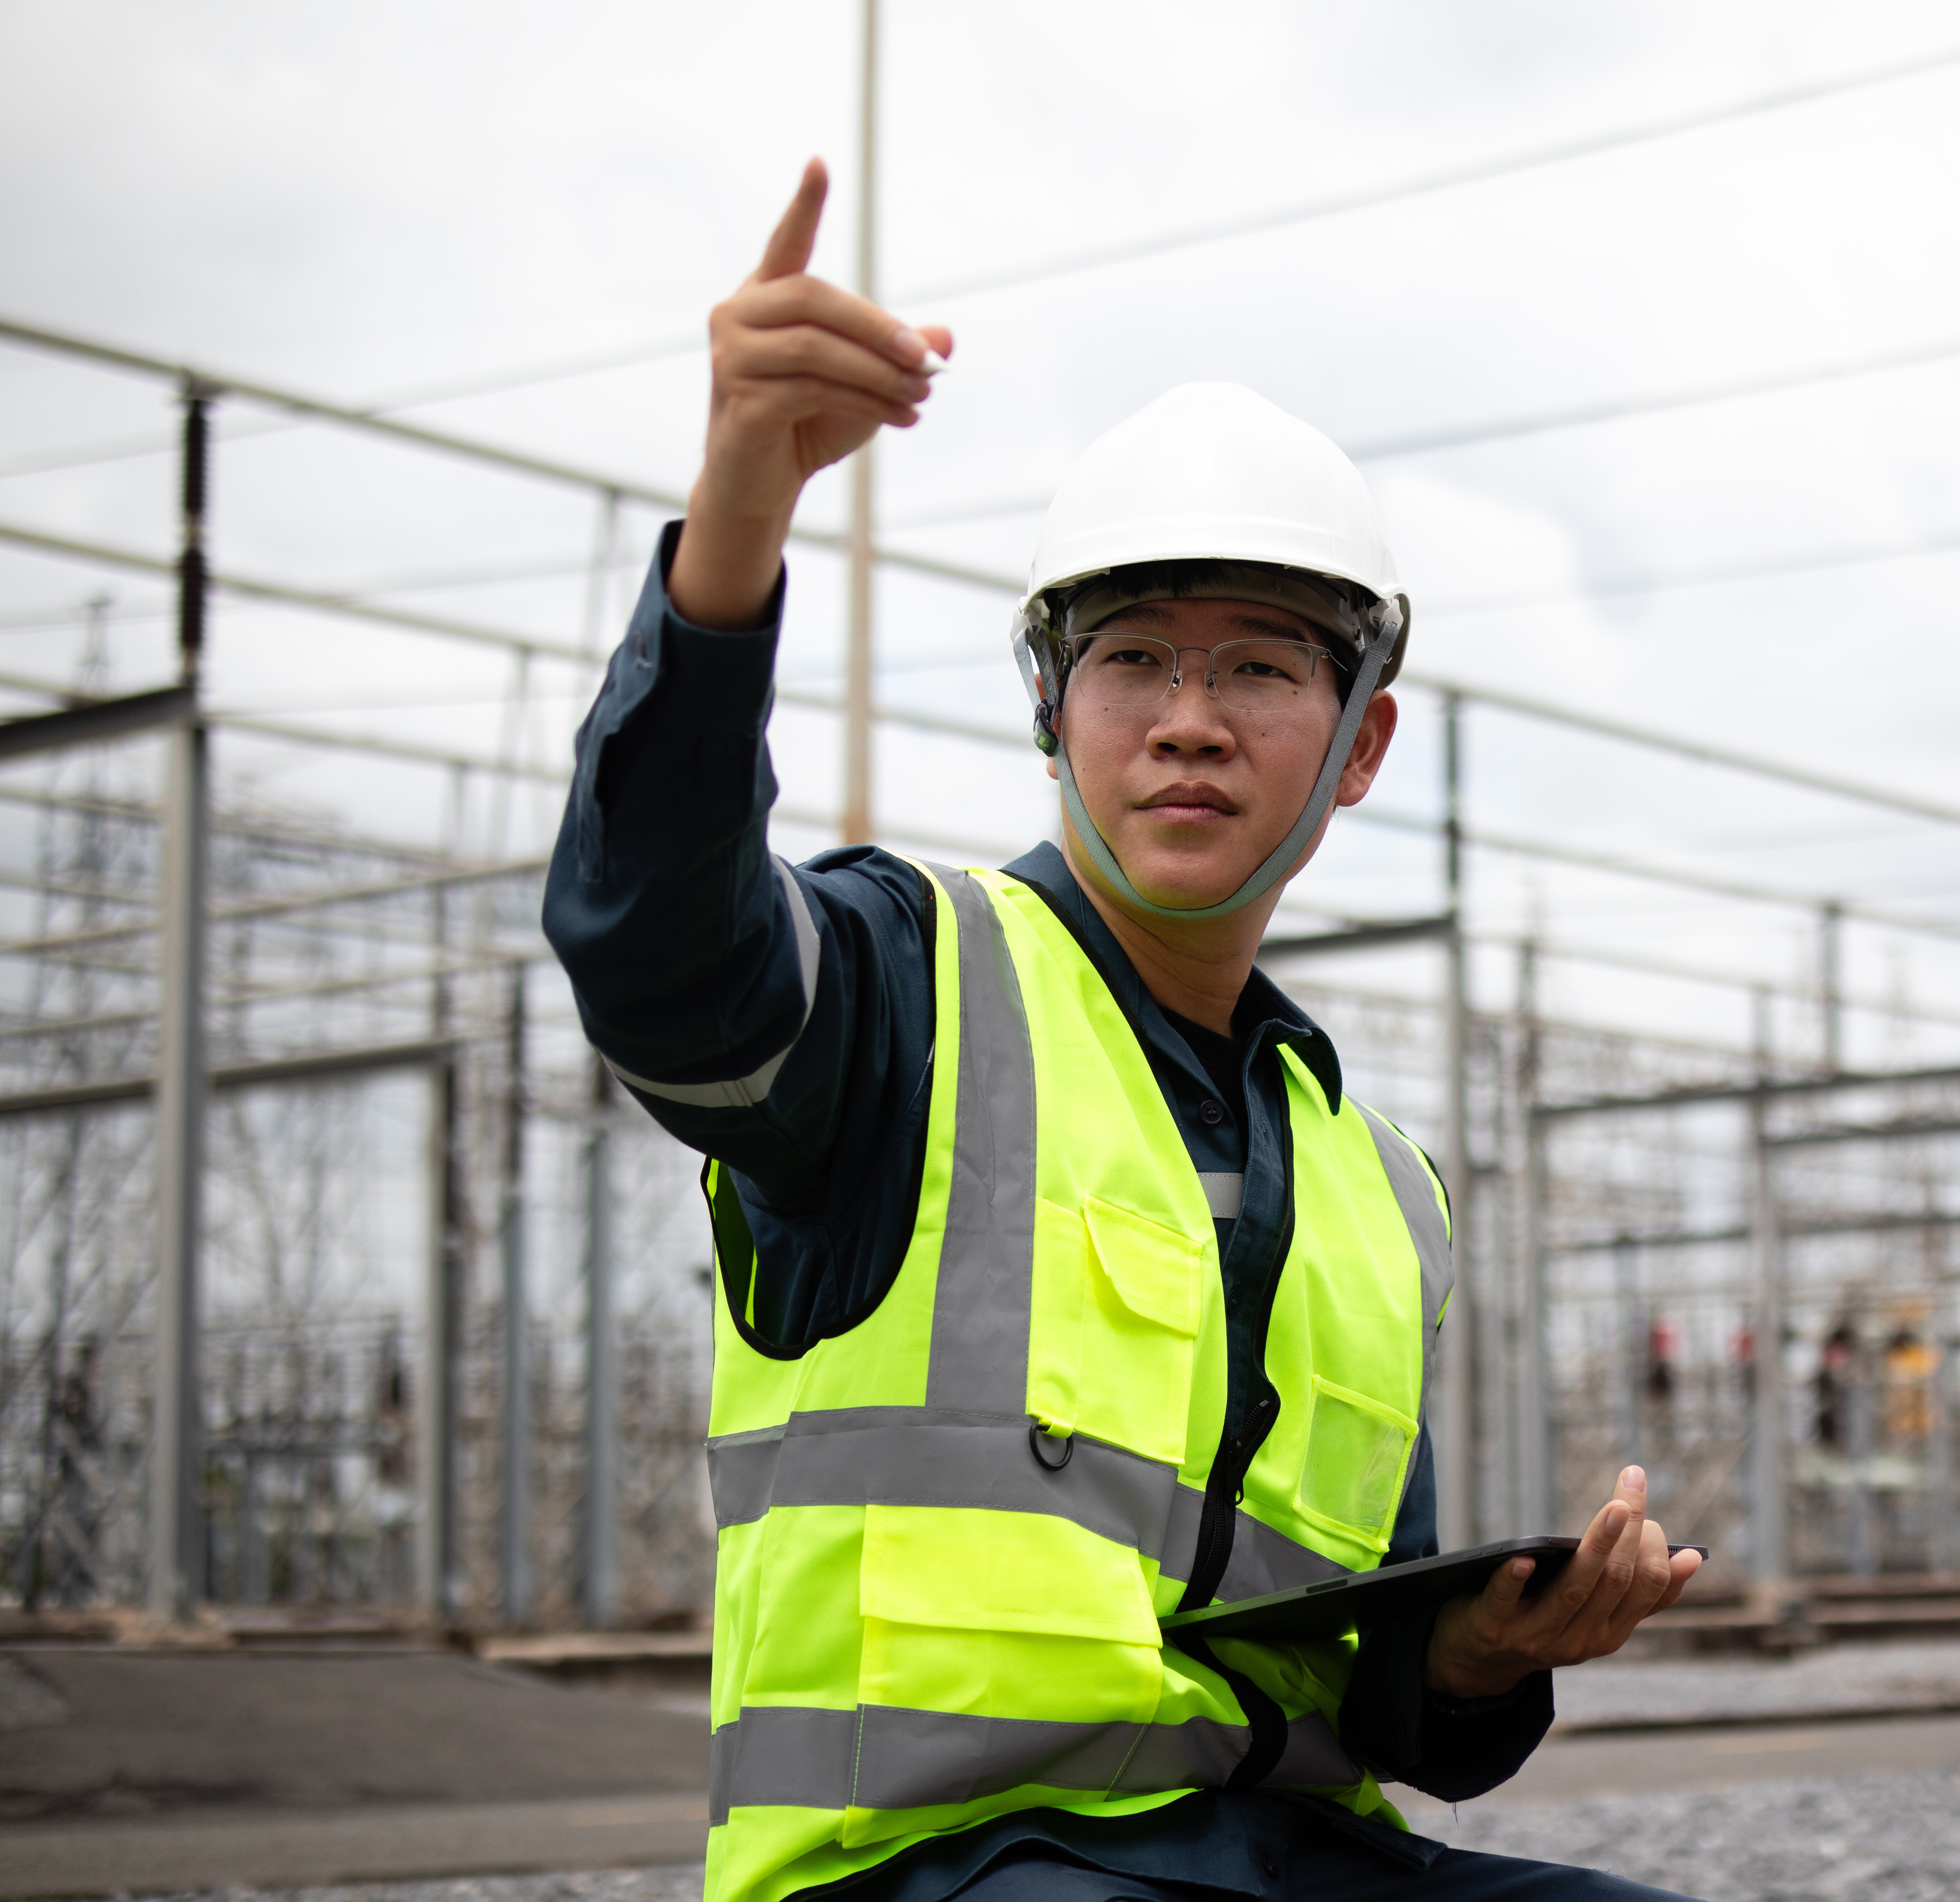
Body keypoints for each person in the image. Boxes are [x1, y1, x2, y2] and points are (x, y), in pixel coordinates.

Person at [543, 161, 1702, 1902]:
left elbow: (1368, 1682)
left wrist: (1481, 1654)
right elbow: (662, 957)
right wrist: (738, 519)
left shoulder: (1375, 1192)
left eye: (1258, 668)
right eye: (1132, 660)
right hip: (925, 1871)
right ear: (1048, 711)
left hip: (1280, 1852)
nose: (1188, 723)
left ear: (1360, 745)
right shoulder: (901, 991)